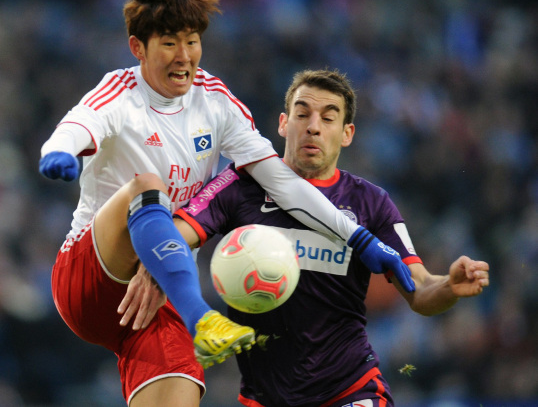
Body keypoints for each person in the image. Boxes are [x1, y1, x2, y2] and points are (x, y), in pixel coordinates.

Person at [39, 0, 414, 406]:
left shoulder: (215, 102)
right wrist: (59, 151)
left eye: (192, 40)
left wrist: (360, 238)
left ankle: (192, 314)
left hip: (160, 298)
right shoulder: (119, 94)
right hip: (93, 279)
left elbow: (281, 181)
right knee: (148, 186)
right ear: (137, 48)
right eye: (168, 42)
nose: (184, 55)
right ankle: (202, 318)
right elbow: (77, 125)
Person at [174, 69, 490, 407]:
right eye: (302, 114)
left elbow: (419, 290)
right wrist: (155, 271)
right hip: (265, 397)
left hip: (349, 388)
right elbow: (176, 237)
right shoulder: (239, 186)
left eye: (328, 118)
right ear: (283, 123)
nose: (313, 126)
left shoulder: (371, 202)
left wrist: (448, 287)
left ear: (346, 133)